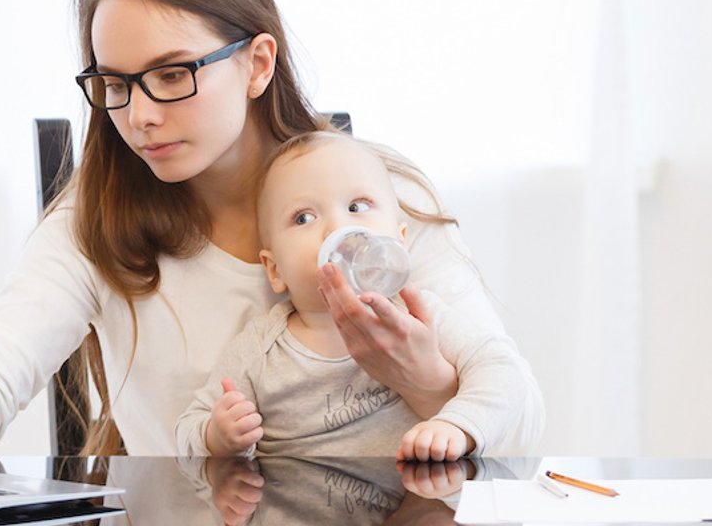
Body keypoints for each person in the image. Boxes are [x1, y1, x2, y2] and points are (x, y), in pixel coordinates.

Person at [0, 0, 544, 467]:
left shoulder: (375, 205)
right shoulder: (93, 220)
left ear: (258, 63)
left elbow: (521, 433)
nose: (140, 115)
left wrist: (426, 381)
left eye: (172, 74)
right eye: (116, 84)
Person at [175, 132, 534, 461]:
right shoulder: (260, 349)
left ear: (400, 239)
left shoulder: (419, 317)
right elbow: (190, 425)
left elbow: (504, 374)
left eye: (357, 207)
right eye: (303, 217)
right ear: (274, 270)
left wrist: (457, 425)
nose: (338, 228)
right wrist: (216, 436)